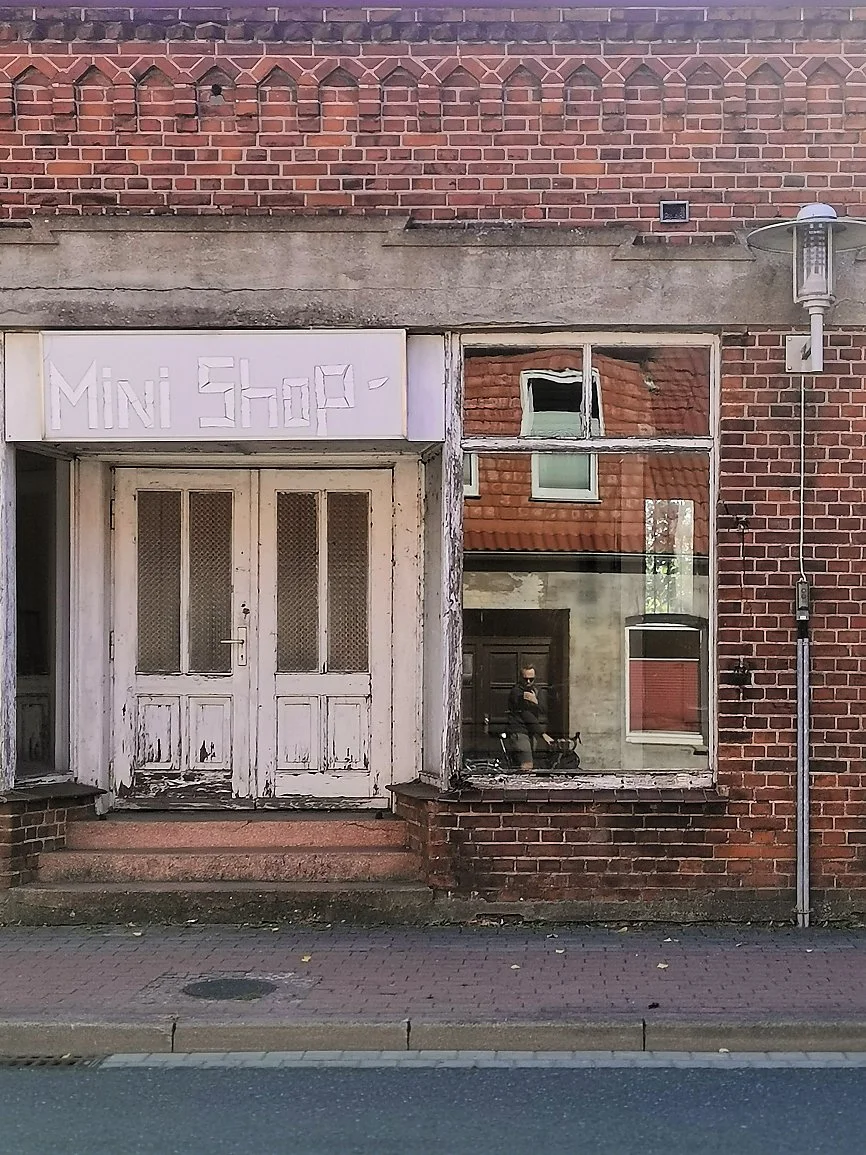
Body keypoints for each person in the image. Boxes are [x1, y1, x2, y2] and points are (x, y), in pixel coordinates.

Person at [505, 665, 554, 771]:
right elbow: (526, 714)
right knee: (527, 765)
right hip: (519, 731)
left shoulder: (536, 691)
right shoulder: (517, 692)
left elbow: (544, 710)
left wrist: (536, 702)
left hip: (531, 732)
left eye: (531, 679)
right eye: (525, 679)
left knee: (527, 765)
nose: (528, 682)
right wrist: (543, 734)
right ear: (520, 678)